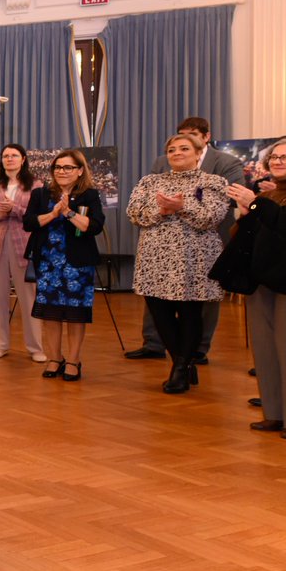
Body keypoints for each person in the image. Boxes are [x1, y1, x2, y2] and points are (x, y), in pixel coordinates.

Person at [125, 116, 245, 363]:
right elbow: (135, 213)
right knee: (159, 310)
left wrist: (182, 205)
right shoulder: (150, 180)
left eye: (184, 147)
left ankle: (187, 360)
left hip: (196, 256)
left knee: (194, 312)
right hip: (156, 259)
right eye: (172, 149)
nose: (176, 152)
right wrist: (162, 210)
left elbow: (212, 216)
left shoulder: (215, 178)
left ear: (199, 150)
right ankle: (175, 356)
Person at [22, 149, 104, 382]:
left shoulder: (89, 195)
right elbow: (29, 223)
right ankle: (54, 358)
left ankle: (73, 360)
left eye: (68, 167)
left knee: (76, 315)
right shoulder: (40, 194)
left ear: (79, 171)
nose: (62, 172)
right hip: (47, 263)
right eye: (58, 167)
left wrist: (67, 212)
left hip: (77, 265)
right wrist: (53, 213)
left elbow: (94, 226)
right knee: (51, 314)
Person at [226, 138, 286, 432]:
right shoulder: (269, 196)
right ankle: (274, 412)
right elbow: (243, 233)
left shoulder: (267, 198)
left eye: (284, 157)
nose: (277, 161)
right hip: (262, 280)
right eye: (274, 157)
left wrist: (254, 202)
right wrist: (247, 213)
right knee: (265, 350)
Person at [0, 143, 44, 361]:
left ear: (23, 159)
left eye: (14, 155)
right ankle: (1, 344)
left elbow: (37, 216)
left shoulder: (35, 185)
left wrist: (14, 209)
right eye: (5, 155)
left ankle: (36, 348)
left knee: (29, 298)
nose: (9, 159)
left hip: (23, 245)